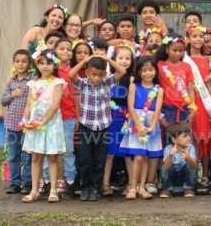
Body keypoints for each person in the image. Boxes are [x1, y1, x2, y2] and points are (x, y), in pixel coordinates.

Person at [69, 55, 126, 201]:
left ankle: (95, 188)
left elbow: (122, 72)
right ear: (87, 72)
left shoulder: (107, 83)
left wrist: (107, 59)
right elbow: (71, 75)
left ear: (105, 75)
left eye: (100, 75)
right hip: (85, 127)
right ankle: (85, 187)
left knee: (100, 160)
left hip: (103, 128)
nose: (96, 78)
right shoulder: (83, 83)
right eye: (93, 74)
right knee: (85, 159)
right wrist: (85, 61)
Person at [21, 49, 66, 203]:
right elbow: (28, 104)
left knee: (52, 157)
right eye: (42, 63)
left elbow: (55, 105)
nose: (45, 66)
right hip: (34, 124)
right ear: (37, 64)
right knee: (35, 157)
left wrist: (44, 121)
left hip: (51, 123)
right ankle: (35, 190)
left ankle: (53, 190)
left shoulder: (57, 82)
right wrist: (25, 120)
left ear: (54, 65)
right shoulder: (32, 83)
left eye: (49, 63)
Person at [119, 56, 164, 200]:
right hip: (136, 122)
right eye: (144, 70)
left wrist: (151, 126)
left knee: (145, 156)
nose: (147, 73)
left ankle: (142, 187)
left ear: (155, 71)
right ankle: (133, 187)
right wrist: (138, 125)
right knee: (138, 156)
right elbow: (130, 107)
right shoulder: (133, 86)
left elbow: (157, 110)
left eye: (151, 70)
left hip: (151, 124)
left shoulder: (159, 90)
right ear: (138, 72)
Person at [40, 39, 78, 199]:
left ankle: (70, 182)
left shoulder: (72, 72)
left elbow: (76, 95)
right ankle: (49, 183)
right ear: (54, 50)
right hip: (49, 118)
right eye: (61, 48)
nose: (65, 52)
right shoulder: (49, 71)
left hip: (67, 116)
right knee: (49, 151)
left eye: (69, 49)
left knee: (68, 150)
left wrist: (77, 115)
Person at [102, 45, 135, 197]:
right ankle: (105, 183)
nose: (124, 61)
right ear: (114, 60)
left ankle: (131, 184)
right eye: (120, 58)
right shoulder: (108, 77)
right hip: (110, 117)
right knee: (109, 152)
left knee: (128, 152)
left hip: (126, 116)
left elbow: (132, 101)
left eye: (127, 58)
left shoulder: (132, 78)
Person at [185, 26, 211, 188]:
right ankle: (191, 175)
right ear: (188, 39)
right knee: (191, 139)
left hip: (203, 104)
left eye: (200, 37)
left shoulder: (207, 61)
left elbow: (209, 91)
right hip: (189, 103)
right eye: (194, 36)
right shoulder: (184, 60)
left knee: (203, 140)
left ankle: (204, 175)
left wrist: (208, 83)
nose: (198, 39)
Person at [1, 49, 32, 195]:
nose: (20, 64)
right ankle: (14, 183)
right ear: (14, 63)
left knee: (27, 155)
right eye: (17, 61)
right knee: (13, 155)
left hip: (27, 124)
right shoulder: (10, 81)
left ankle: (27, 183)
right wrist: (13, 94)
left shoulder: (32, 80)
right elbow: (3, 101)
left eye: (24, 61)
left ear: (29, 64)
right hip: (12, 123)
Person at [155, 34, 196, 126]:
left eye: (181, 51)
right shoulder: (160, 65)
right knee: (170, 138)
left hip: (185, 108)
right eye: (174, 50)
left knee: (185, 137)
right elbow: (155, 89)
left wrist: (193, 110)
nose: (178, 53)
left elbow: (190, 88)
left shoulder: (187, 66)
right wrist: (160, 115)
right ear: (166, 50)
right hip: (167, 108)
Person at [159, 122, 197, 198]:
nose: (189, 138)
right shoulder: (168, 148)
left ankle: (188, 188)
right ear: (174, 140)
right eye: (185, 136)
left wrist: (189, 158)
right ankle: (167, 189)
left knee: (192, 164)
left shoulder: (190, 147)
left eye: (188, 135)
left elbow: (193, 166)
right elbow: (166, 168)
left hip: (184, 180)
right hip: (172, 179)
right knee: (163, 166)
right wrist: (170, 155)